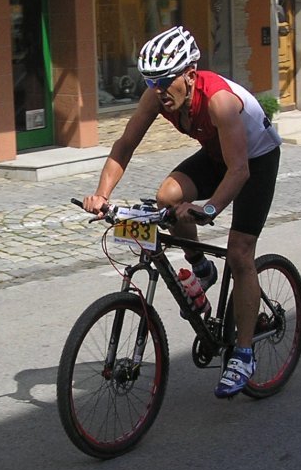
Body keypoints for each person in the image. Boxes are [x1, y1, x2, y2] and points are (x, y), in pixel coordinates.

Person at [83, 26, 282, 399]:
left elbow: (239, 170)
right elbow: (125, 144)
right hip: (217, 154)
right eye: (150, 82)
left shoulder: (219, 101)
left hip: (255, 160)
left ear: (190, 75)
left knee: (239, 252)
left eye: (164, 81)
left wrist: (207, 208)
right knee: (166, 198)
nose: (158, 90)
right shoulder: (156, 97)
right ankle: (201, 268)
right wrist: (101, 195)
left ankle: (243, 355)